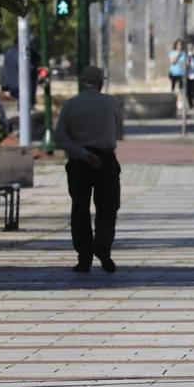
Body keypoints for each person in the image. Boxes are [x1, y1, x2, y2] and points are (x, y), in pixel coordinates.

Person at [54, 67, 124, 274]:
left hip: (79, 161)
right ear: (101, 82)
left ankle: (83, 257)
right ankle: (103, 247)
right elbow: (118, 129)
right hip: (105, 159)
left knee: (80, 208)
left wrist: (81, 152)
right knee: (108, 206)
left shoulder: (71, 104)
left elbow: (60, 136)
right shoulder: (111, 102)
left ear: (81, 82)